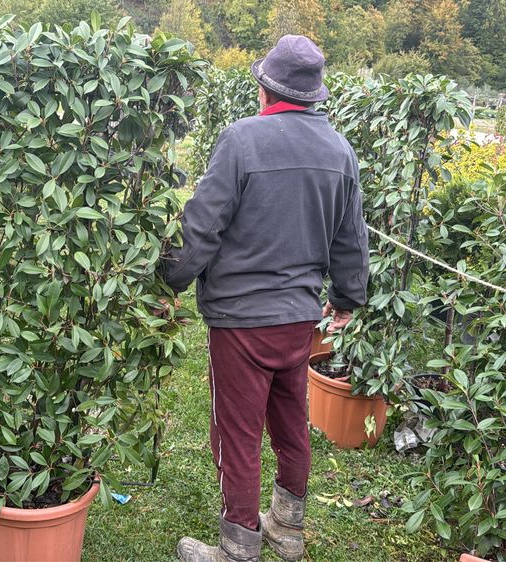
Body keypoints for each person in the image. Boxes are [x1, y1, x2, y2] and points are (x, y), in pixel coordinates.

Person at [162, 34, 369, 562]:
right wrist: (347, 299)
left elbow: (203, 225)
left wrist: (169, 281)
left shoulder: (242, 140)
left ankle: (237, 547)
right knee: (289, 421)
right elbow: (351, 238)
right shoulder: (340, 151)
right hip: (299, 319)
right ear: (315, 96)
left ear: (264, 88)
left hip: (241, 320)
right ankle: (287, 529)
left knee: (236, 432)